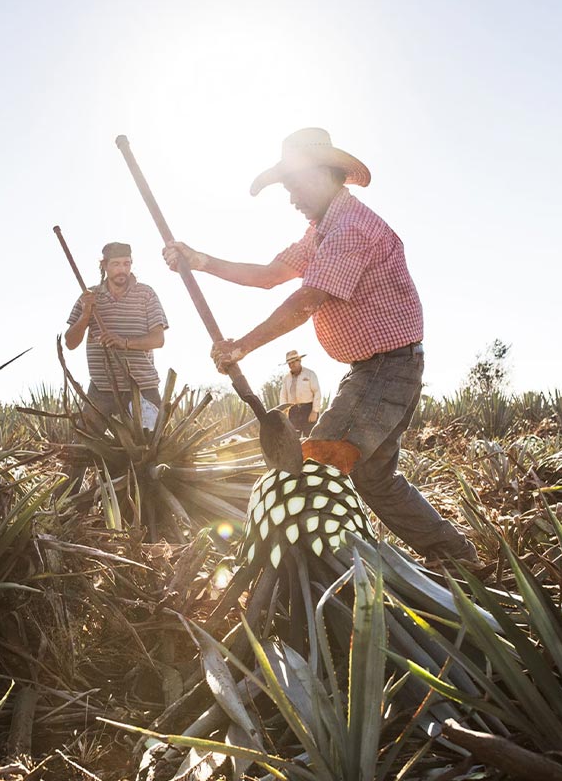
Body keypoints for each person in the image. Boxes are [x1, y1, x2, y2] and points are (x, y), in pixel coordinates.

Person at [162, 128, 477, 563]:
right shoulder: (320, 231)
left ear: (323, 175)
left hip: (386, 369)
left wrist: (242, 347)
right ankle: (454, 554)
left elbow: (306, 300)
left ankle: (320, 568)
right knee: (375, 480)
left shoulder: (351, 228)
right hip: (376, 369)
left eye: (294, 186)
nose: (291, 198)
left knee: (318, 460)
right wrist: (200, 260)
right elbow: (270, 275)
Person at [65, 242, 168, 429]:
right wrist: (86, 313)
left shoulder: (146, 294)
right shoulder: (90, 296)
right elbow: (70, 342)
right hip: (101, 388)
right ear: (104, 266)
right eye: (116, 264)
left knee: (151, 447)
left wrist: (124, 343)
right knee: (82, 451)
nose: (122, 270)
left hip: (142, 387)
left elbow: (158, 339)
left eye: (126, 264)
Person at [278, 349, 321, 438]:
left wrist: (314, 411)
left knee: (310, 439)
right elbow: (283, 395)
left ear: (299, 360)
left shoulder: (310, 374)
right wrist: (284, 412)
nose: (292, 365)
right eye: (289, 363)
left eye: (294, 362)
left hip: (308, 409)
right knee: (293, 440)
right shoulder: (286, 378)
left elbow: (317, 392)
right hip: (293, 411)